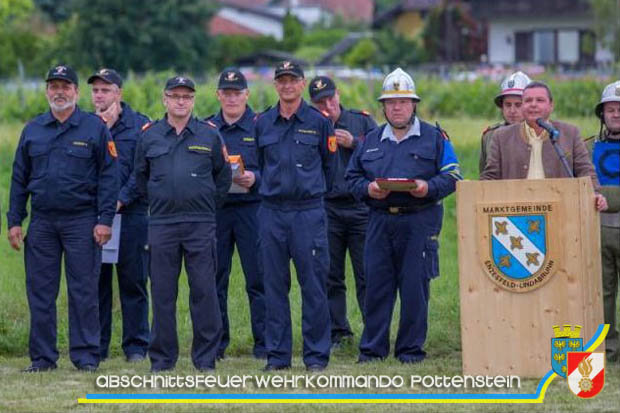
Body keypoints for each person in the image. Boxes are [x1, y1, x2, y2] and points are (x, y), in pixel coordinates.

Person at [345, 68, 462, 364]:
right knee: (376, 288)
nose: (397, 108)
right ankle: (372, 350)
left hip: (419, 221)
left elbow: (452, 176)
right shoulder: (369, 139)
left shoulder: (435, 138)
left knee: (414, 289)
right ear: (383, 107)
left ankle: (410, 351)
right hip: (378, 222)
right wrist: (369, 188)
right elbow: (351, 178)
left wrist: (428, 187)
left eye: (403, 102)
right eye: (391, 102)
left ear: (414, 105)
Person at [7, 64, 117, 372]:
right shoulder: (33, 130)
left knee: (84, 291)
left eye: (65, 86)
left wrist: (105, 219)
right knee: (40, 292)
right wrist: (15, 220)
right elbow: (19, 179)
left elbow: (110, 176)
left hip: (82, 222)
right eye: (54, 86)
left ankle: (85, 356)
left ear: (76, 92)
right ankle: (43, 358)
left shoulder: (94, 128)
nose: (59, 91)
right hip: (41, 223)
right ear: (46, 91)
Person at [134, 76, 232, 372]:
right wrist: (160, 201)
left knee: (204, 291)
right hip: (162, 223)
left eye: (186, 97)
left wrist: (202, 206)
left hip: (200, 223)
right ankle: (162, 359)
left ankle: (205, 358)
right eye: (174, 96)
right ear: (164, 99)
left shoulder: (209, 135)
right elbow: (141, 179)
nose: (180, 101)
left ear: (193, 100)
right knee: (163, 293)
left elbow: (223, 177)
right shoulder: (149, 136)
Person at [255, 61, 336, 371]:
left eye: (293, 80)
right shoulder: (263, 122)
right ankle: (277, 357)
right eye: (281, 80)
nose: (287, 85)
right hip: (272, 212)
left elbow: (329, 167)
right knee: (274, 287)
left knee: (314, 286)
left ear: (303, 84)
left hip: (307, 213)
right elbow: (260, 164)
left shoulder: (318, 122)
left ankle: (316, 356)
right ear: (275, 85)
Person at [308, 75, 377, 347]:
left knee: (366, 273)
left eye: (330, 98)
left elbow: (379, 155)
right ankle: (338, 331)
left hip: (360, 207)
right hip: (327, 208)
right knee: (330, 274)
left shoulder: (361, 121)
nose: (327, 105)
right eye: (320, 102)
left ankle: (373, 330)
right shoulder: (312, 126)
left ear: (338, 94)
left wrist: (354, 144)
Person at [88, 68, 150, 363]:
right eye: (96, 90)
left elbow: (143, 171)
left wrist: (120, 200)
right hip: (94, 217)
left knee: (133, 281)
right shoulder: (84, 125)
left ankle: (136, 346)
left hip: (133, 214)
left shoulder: (140, 126)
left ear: (119, 93)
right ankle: (96, 346)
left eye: (106, 90)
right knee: (96, 282)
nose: (100, 95)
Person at [207, 68, 266, 360]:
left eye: (237, 93)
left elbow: (274, 168)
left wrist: (256, 178)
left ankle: (264, 344)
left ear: (247, 94)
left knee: (258, 278)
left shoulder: (261, 126)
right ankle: (217, 345)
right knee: (216, 278)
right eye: (226, 93)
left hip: (252, 210)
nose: (231, 98)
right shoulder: (206, 129)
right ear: (218, 95)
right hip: (217, 212)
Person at [481, 81, 608, 212]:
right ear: (523, 105)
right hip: (516, 214)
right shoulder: (501, 136)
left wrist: (596, 195)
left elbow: (585, 171)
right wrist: (477, 192)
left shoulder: (570, 133)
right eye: (528, 100)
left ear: (551, 105)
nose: (533, 104)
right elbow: (491, 176)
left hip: (561, 212)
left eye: (540, 100)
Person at [587, 80, 620, 362]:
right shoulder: (587, 148)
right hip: (598, 232)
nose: (616, 114)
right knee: (602, 295)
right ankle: (607, 348)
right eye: (611, 109)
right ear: (603, 114)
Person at [479, 71, 531, 174]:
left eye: (518, 105)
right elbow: (484, 175)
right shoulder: (489, 135)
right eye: (507, 105)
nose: (512, 111)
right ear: (501, 107)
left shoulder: (541, 134)